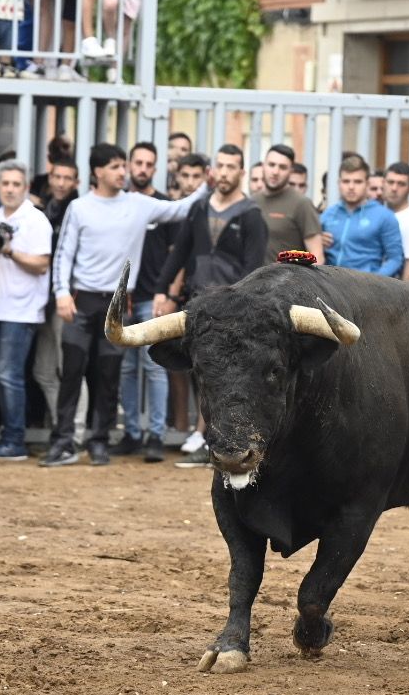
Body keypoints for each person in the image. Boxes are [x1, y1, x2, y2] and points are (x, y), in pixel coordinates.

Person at [45, 142, 200, 467]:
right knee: (71, 372)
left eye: (122, 166)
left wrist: (208, 187)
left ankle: (99, 441)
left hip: (117, 305)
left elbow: (181, 209)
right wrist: (60, 292)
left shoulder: (139, 204)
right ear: (98, 171)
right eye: (115, 166)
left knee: (108, 374)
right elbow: (63, 254)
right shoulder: (80, 207)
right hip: (80, 300)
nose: (123, 172)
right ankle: (63, 441)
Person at [152, 144, 266, 468]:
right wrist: (162, 290)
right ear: (213, 171)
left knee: (227, 379)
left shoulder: (251, 215)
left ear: (242, 172)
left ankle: (210, 440)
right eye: (221, 165)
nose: (226, 172)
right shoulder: (199, 208)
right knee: (201, 372)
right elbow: (178, 254)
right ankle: (205, 438)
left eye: (233, 166)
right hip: (198, 304)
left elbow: (254, 268)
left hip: (234, 310)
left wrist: (243, 309)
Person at [0, 161, 53, 460]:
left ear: (26, 188)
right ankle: (10, 436)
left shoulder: (36, 221)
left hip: (21, 312)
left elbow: (41, 264)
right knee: (0, 374)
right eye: (5, 183)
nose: (9, 189)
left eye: (15, 184)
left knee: (10, 376)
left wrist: (9, 250)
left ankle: (14, 440)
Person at [113, 140, 174, 462]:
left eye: (149, 164)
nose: (142, 169)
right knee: (126, 369)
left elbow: (176, 255)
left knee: (154, 367)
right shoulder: (118, 203)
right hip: (122, 300)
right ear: (128, 164)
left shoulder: (164, 206)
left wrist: (169, 296)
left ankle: (156, 435)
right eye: (138, 162)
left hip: (154, 299)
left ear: (155, 168)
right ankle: (131, 433)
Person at [33, 157, 79, 430]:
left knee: (70, 370)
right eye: (57, 177)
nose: (61, 183)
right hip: (42, 299)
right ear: (50, 178)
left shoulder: (79, 209)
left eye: (67, 178)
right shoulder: (42, 209)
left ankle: (76, 430)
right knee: (43, 371)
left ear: (76, 182)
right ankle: (62, 426)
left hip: (68, 300)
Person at [321, 155, 402, 277]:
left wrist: (374, 282)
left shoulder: (385, 216)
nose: (351, 187)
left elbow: (395, 259)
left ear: (367, 184)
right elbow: (313, 253)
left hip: (366, 289)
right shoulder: (328, 214)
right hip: (330, 287)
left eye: (357, 181)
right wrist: (318, 243)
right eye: (346, 181)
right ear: (339, 183)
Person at [256, 143, 323, 264]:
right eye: (271, 165)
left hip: (287, 281)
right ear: (263, 166)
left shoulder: (302, 204)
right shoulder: (251, 203)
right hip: (250, 281)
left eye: (282, 167)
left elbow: (317, 258)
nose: (275, 171)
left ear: (291, 171)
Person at [382, 162, 409, 281]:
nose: (394, 188)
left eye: (401, 184)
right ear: (383, 183)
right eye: (390, 182)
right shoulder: (378, 216)